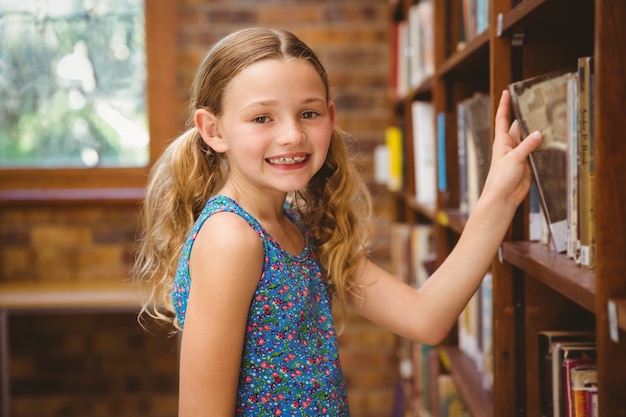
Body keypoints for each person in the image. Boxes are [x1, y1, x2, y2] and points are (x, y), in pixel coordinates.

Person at [131, 27, 542, 416]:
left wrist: (499, 195)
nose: (292, 135)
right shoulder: (231, 237)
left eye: (308, 114)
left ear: (329, 116)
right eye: (262, 118)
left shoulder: (299, 227)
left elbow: (425, 318)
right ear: (213, 130)